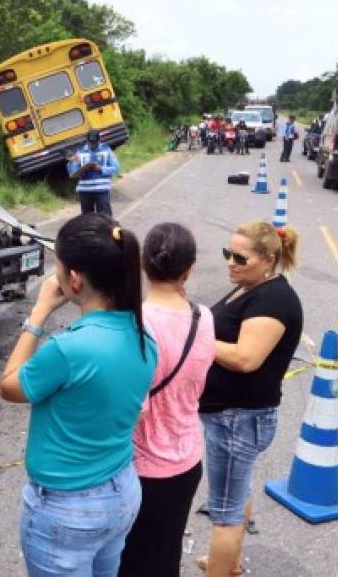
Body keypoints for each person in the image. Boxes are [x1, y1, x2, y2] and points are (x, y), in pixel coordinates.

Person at [0, 214, 157, 577]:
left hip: (68, 509)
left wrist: (38, 313)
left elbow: (9, 386)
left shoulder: (68, 349)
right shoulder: (143, 337)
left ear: (73, 279)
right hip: (121, 489)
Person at [197, 221, 303, 577]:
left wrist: (192, 338)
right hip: (232, 415)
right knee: (236, 493)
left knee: (224, 513)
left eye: (240, 257)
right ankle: (229, 565)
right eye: (228, 253)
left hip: (238, 418)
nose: (230, 262)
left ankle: (220, 567)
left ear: (269, 260)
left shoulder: (273, 299)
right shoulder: (247, 287)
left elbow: (246, 358)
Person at [119, 223, 216, 577]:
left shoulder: (135, 324)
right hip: (187, 461)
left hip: (140, 468)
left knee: (131, 560)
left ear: (144, 265)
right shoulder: (203, 317)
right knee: (165, 553)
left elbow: (133, 411)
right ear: (189, 270)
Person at [67, 129, 121, 216]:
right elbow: (72, 172)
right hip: (84, 190)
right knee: (87, 218)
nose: (93, 144)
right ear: (87, 140)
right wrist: (72, 162)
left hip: (102, 189)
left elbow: (116, 168)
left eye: (94, 142)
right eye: (91, 142)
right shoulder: (80, 151)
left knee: (105, 217)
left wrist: (101, 169)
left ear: (99, 139)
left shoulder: (106, 150)